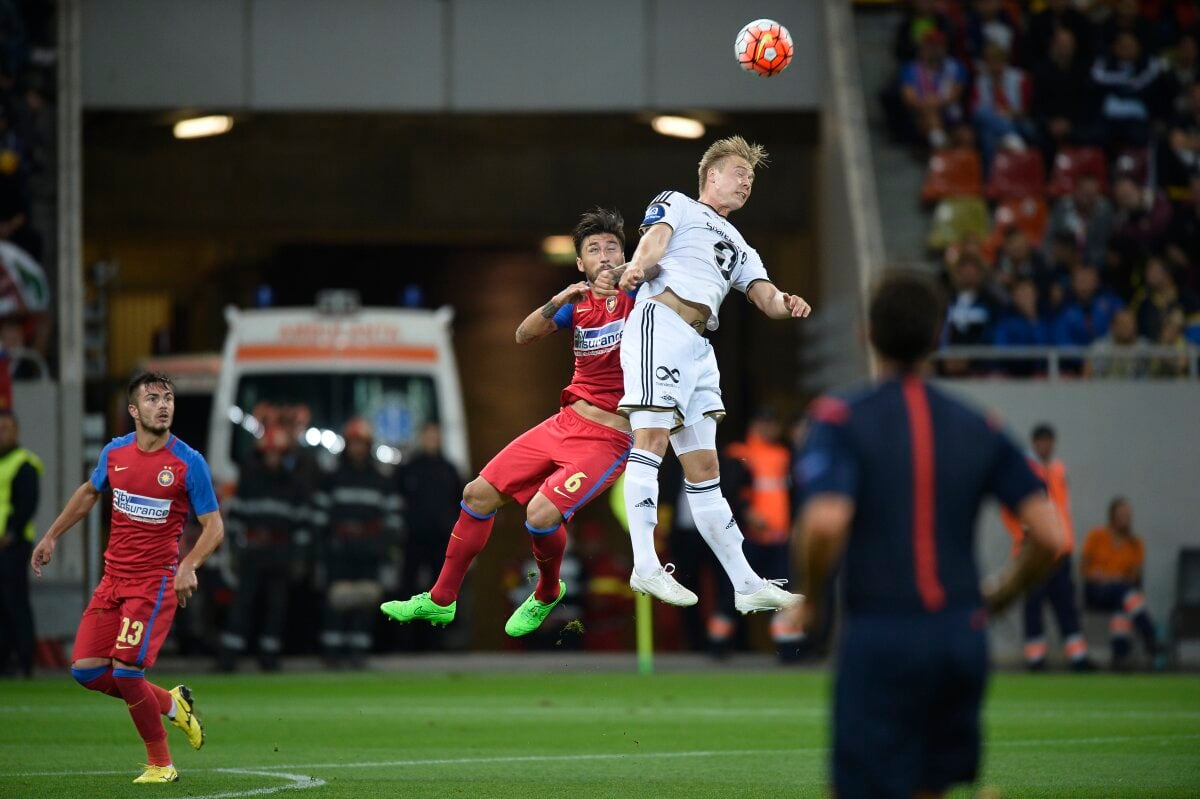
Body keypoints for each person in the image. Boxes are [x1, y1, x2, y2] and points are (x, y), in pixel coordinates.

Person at [793, 271, 1064, 799]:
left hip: (881, 635)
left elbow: (825, 521)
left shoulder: (840, 418)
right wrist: (1001, 594)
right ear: (939, 335)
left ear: (865, 334)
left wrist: (811, 600)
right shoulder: (979, 424)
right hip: (960, 635)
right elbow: (1051, 535)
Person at [380, 208, 636, 638]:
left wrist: (632, 270)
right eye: (594, 249)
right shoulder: (576, 305)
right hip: (566, 422)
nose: (605, 255)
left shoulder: (639, 291)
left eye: (612, 247)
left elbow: (657, 263)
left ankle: (548, 591)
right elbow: (523, 334)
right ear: (579, 263)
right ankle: (441, 600)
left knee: (539, 514)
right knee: (476, 495)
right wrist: (560, 299)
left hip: (609, 436)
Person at [611, 135, 809, 614]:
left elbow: (764, 297)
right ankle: (645, 563)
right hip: (662, 323)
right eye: (738, 172)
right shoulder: (676, 202)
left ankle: (746, 583)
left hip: (700, 347)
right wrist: (637, 266)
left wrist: (787, 304)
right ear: (710, 176)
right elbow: (654, 240)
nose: (746, 182)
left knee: (705, 470)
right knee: (652, 440)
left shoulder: (741, 245)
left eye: (752, 178)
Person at [30, 372, 224, 784]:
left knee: (126, 672)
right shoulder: (115, 453)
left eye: (168, 397)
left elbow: (214, 527)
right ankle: (173, 706)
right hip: (113, 580)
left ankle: (162, 764)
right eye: (153, 398)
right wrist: (51, 535)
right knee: (85, 670)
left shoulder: (189, 462)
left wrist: (188, 565)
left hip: (153, 585)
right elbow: (88, 493)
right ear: (134, 411)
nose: (164, 405)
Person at [1001, 424, 1093, 671]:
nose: (1046, 446)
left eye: (1049, 441)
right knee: (1033, 604)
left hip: (1059, 550)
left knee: (1066, 604)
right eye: (1041, 441)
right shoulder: (1023, 470)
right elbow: (1010, 511)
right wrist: (1026, 537)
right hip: (1032, 552)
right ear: (1034, 443)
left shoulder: (1059, 470)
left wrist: (1063, 540)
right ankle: (1035, 658)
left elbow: (1063, 510)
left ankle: (1078, 657)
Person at [218, 425, 309, 672]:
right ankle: (229, 655)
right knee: (242, 603)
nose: (273, 458)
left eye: (278, 453)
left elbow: (301, 526)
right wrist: (235, 551)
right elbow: (236, 520)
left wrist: (298, 557)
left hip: (280, 553)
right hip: (253, 552)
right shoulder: (249, 481)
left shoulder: (294, 485)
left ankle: (269, 655)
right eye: (270, 453)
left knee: (276, 606)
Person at [315, 417, 401, 668]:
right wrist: (322, 547)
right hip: (339, 549)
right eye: (354, 443)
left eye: (362, 443)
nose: (357, 449)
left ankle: (358, 653)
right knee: (336, 601)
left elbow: (393, 519)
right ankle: (332, 652)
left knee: (364, 602)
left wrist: (385, 547)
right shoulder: (333, 478)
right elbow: (321, 516)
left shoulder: (381, 480)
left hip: (369, 550)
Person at [395, 421, 463, 642]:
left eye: (435, 436)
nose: (431, 441)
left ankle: (435, 640)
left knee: (439, 590)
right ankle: (405, 639)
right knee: (408, 588)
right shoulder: (409, 469)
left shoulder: (450, 470)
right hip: (413, 538)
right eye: (428, 436)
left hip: (441, 541)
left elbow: (459, 506)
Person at [1081, 497, 1163, 669]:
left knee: (1122, 602)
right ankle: (1149, 634)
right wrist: (1103, 577)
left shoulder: (1135, 544)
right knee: (1124, 592)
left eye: (1127, 516)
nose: (1125, 519)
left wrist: (1116, 579)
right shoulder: (1097, 536)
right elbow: (1084, 569)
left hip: (1121, 592)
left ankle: (1119, 656)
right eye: (1121, 515)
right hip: (1097, 591)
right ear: (1112, 516)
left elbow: (1134, 577)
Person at [0, 411, 40, 677]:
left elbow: (27, 503)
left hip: (12, 544)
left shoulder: (25, 463)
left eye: (7, 428)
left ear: (17, 431)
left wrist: (11, 533)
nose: (3, 432)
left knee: (15, 601)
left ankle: (26, 660)